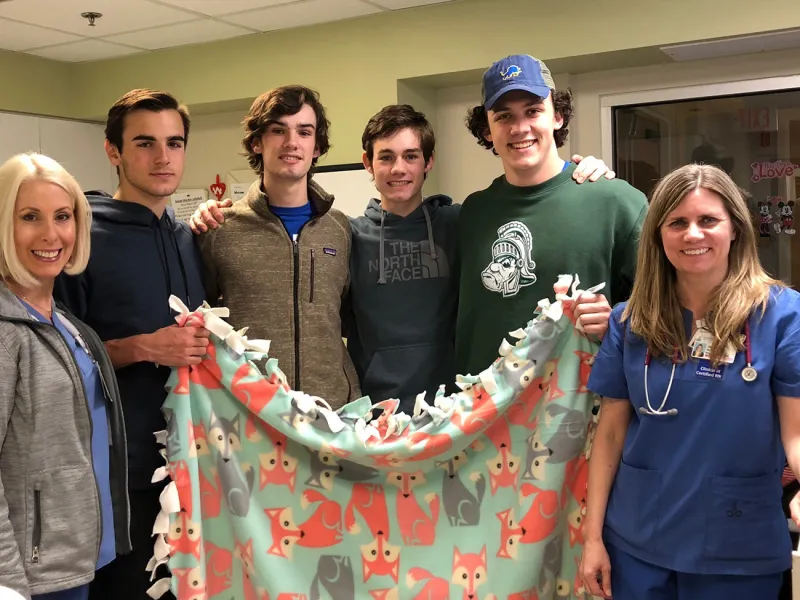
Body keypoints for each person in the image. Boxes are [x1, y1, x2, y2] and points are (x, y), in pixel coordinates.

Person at [191, 101, 613, 411]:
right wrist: (209, 214)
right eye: (387, 157)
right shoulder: (346, 234)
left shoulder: (462, 222)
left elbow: (528, 212)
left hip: (457, 406)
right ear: (367, 164)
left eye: (411, 156)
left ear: (428, 162)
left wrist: (577, 172)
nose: (399, 169)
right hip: (372, 411)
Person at [581, 163, 800, 600]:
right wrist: (592, 538)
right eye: (677, 223)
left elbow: (796, 432)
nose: (693, 234)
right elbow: (610, 435)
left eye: (708, 220)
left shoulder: (781, 315)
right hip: (637, 542)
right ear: (658, 236)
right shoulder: (630, 321)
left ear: (735, 229)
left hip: (738, 546)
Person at [54, 89, 207, 600]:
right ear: (113, 151)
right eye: (145, 143)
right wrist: (142, 347)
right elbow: (56, 356)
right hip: (118, 475)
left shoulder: (188, 238)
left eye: (174, 143)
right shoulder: (79, 238)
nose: (163, 157)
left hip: (191, 467)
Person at [455, 53, 647, 377]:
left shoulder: (617, 202)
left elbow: (668, 307)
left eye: (533, 111)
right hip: (483, 403)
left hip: (578, 400)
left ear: (557, 116)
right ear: (487, 130)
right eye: (504, 116)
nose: (520, 128)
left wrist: (616, 320)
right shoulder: (472, 214)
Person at [0, 152, 130, 600]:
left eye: (62, 216)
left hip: (80, 557)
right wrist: (7, 584)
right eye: (29, 217)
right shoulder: (6, 334)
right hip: (31, 574)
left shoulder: (64, 322)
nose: (51, 234)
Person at [195, 84, 358, 408]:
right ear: (257, 142)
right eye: (278, 130)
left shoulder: (340, 229)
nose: (291, 142)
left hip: (332, 414)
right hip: (251, 415)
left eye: (304, 132)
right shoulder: (219, 229)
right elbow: (199, 326)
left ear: (316, 147)